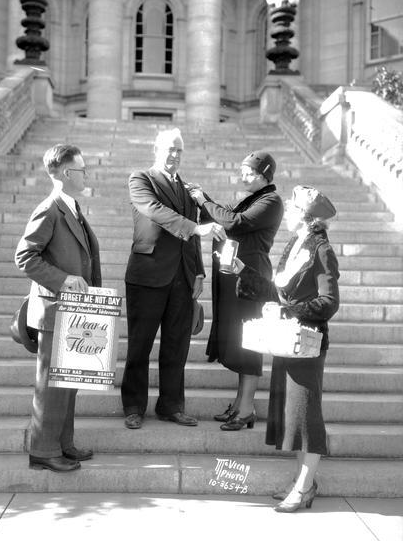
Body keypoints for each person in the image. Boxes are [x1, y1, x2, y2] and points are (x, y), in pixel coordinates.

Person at [233, 185, 340, 512]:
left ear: (307, 218)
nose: (288, 213)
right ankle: (303, 483)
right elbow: (281, 295)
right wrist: (243, 272)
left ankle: (305, 488)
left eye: (293, 210)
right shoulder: (296, 245)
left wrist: (293, 312)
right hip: (288, 341)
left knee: (307, 417)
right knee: (295, 417)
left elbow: (329, 303)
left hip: (307, 343)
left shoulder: (322, 250)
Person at [121, 128, 226, 429]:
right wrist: (195, 228)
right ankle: (133, 406)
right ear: (156, 148)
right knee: (140, 345)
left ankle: (171, 405)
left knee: (176, 346)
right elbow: (155, 211)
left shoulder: (187, 188)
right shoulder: (141, 179)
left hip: (182, 276)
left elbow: (194, 232)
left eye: (179, 150)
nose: (175, 155)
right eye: (170, 149)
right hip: (147, 275)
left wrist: (200, 272)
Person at [15, 144, 101, 473]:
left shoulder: (71, 206)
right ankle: (43, 450)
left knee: (69, 381)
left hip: (75, 312)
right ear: (66, 174)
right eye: (82, 169)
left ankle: (63, 444)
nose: (86, 174)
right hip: (54, 311)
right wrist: (63, 280)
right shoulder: (49, 208)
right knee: (51, 384)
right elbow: (24, 257)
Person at [188, 151, 283, 430]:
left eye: (249, 172)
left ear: (265, 175)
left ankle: (245, 409)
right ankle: (241, 404)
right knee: (241, 341)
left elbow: (233, 222)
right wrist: (202, 198)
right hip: (237, 276)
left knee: (250, 344)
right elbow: (222, 213)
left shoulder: (271, 201)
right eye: (242, 170)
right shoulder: (250, 197)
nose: (243, 176)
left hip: (252, 279)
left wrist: (204, 201)